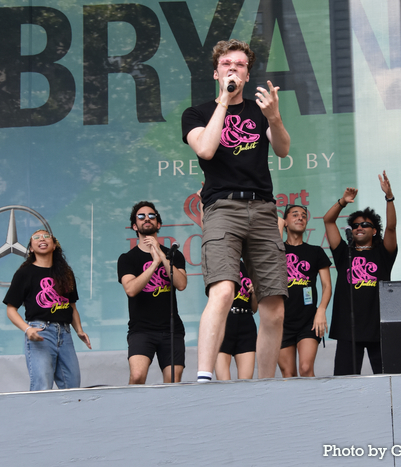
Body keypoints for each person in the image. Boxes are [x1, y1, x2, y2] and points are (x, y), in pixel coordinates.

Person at [181, 39, 291, 382]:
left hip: (261, 208)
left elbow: (284, 149)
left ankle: (264, 385)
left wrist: (274, 116)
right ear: (217, 73)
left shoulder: (261, 110)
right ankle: (203, 375)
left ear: (247, 73)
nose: (233, 68)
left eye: (240, 64)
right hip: (222, 207)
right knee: (224, 289)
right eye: (227, 64)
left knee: (274, 306)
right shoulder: (197, 113)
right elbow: (207, 149)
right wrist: (225, 102)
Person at [324, 171, 398, 376]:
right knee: (345, 384)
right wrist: (342, 202)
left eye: (365, 224)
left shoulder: (383, 253)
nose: (359, 227)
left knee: (387, 380)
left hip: (379, 326)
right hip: (349, 329)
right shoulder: (343, 253)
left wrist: (389, 197)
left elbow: (391, 228)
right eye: (355, 225)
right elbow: (329, 222)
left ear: (374, 231)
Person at [4, 230, 91, 391]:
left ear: (54, 245)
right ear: (31, 248)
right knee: (42, 385)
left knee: (72, 386)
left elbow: (71, 306)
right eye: (36, 238)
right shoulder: (24, 273)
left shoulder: (65, 273)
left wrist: (79, 330)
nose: (42, 239)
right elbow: (11, 309)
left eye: (46, 236)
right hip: (41, 332)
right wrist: (27, 329)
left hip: (65, 333)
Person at [117, 201, 188, 384]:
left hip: (171, 329)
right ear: (135, 226)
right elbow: (131, 289)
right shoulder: (127, 259)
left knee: (173, 380)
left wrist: (161, 257)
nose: (146, 218)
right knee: (137, 376)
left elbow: (181, 284)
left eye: (151, 216)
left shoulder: (173, 255)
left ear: (158, 224)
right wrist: (154, 264)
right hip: (141, 330)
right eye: (141, 216)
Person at [277, 205, 332, 377]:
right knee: (289, 374)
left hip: (308, 319)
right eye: (294, 215)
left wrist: (321, 310)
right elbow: (271, 252)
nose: (300, 218)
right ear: (285, 221)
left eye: (303, 216)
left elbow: (327, 286)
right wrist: (279, 225)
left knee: (306, 368)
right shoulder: (277, 251)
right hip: (281, 321)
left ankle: (315, 404)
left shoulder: (315, 251)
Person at [215, 261, 258, 380]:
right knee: (223, 382)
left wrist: (254, 294)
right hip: (224, 320)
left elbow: (254, 308)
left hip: (246, 321)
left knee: (246, 382)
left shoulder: (249, 267)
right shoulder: (219, 263)